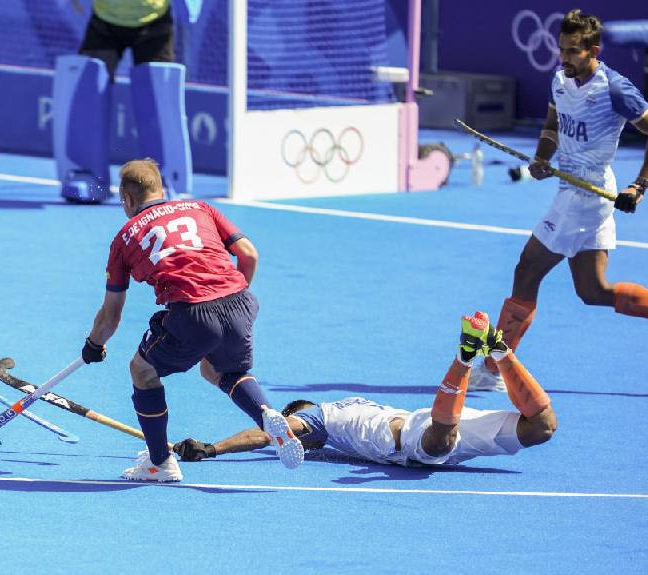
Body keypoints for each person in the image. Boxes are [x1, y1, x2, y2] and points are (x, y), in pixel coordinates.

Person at [80, 158, 302, 482]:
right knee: (219, 370)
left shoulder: (125, 238)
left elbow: (111, 315)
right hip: (240, 301)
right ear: (161, 188)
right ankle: (265, 413)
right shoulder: (200, 208)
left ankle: (160, 463)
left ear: (127, 200)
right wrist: (232, 295)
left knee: (142, 370)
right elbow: (249, 254)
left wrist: (93, 345)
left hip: (194, 312)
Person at [470, 9, 648, 391]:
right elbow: (552, 127)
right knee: (592, 291)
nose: (563, 58)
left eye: (572, 52)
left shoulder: (615, 89)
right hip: (569, 191)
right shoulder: (559, 81)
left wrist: (639, 186)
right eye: (561, 50)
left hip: (588, 197)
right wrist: (542, 158)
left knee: (527, 269)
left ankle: (495, 368)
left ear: (593, 51)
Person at [173, 312, 557, 468]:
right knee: (541, 426)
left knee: (439, 442)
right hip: (426, 417)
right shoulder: (357, 403)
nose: (302, 440)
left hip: (411, 438)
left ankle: (464, 358)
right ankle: (501, 351)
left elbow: (268, 431)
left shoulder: (317, 418)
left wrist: (212, 448)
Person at [54, 0, 194, 202]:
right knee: (89, 91)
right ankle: (89, 174)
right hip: (104, 21)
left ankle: (158, 180)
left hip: (155, 23)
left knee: (157, 95)